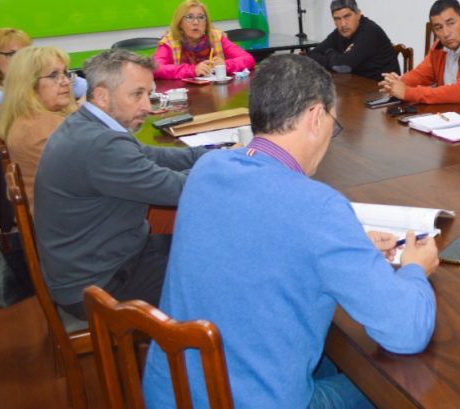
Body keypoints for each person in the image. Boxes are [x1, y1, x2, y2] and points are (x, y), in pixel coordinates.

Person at [143, 54, 438, 408]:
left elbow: (259, 242)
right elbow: (406, 332)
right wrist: (415, 270)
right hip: (253, 400)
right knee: (394, 388)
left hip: (174, 392)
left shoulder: (207, 170)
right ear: (316, 117)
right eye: (333, 121)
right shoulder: (318, 208)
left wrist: (351, 248)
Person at [33, 50, 207, 319]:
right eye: (137, 94)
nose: (148, 107)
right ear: (102, 96)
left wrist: (212, 154)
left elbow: (154, 156)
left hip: (105, 259)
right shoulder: (100, 145)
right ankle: (197, 357)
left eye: (148, 94)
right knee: (216, 282)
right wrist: (231, 171)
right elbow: (177, 189)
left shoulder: (91, 124)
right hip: (98, 286)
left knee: (205, 250)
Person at [0, 46, 79, 204]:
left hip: (52, 210)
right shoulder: (46, 127)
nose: (66, 81)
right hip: (68, 218)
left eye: (65, 73)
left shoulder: (28, 118)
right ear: (28, 84)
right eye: (54, 75)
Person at [378, 0, 460, 104]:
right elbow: (421, 75)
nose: (446, 33)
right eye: (439, 28)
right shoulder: (440, 47)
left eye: (451, 23)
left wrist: (407, 92)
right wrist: (397, 83)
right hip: (450, 114)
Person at [0, 27, 86, 107]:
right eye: (12, 54)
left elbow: (88, 87)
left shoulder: (41, 72)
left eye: (25, 52)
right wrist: (21, 99)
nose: (21, 59)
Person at [152, 0, 255, 80]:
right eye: (189, 17)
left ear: (206, 23)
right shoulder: (170, 42)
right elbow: (156, 68)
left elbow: (248, 59)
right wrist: (193, 70)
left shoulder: (216, 38)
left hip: (216, 95)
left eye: (201, 17)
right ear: (180, 23)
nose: (196, 22)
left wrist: (225, 65)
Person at [308, 0, 399, 81]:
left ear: (358, 14)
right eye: (337, 19)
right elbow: (312, 55)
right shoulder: (339, 33)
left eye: (347, 16)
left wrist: (329, 52)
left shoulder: (369, 31)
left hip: (383, 91)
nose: (343, 24)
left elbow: (343, 67)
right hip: (357, 87)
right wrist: (338, 56)